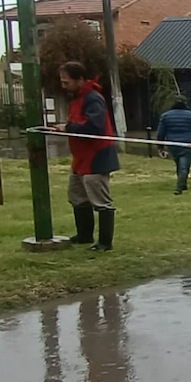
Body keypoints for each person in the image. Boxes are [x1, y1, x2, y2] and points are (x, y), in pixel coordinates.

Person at [53, 61, 120, 252]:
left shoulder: (93, 98)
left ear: (80, 79)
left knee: (100, 200)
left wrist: (68, 128)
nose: (63, 86)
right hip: (81, 156)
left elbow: (94, 127)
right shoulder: (77, 99)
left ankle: (105, 243)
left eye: (66, 82)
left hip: (97, 156)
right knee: (77, 196)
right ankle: (84, 235)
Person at [156, 95, 191, 195]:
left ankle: (183, 184)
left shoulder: (166, 116)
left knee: (179, 164)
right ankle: (179, 188)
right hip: (187, 144)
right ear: (185, 103)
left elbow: (161, 133)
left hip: (172, 144)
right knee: (184, 166)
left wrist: (160, 147)